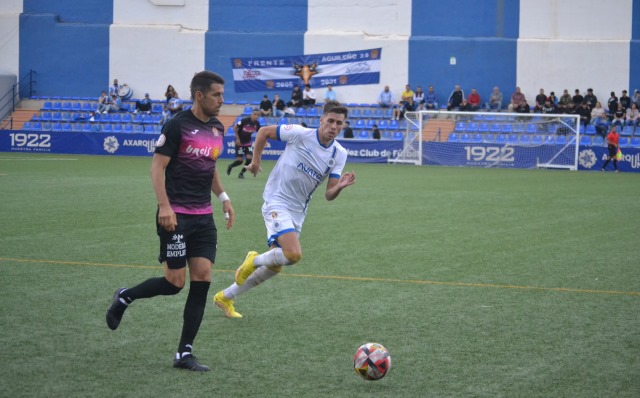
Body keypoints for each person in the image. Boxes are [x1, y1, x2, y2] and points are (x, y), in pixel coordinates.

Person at [105, 70, 235, 372]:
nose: (221, 101)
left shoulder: (217, 128)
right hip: (176, 216)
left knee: (202, 279)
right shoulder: (177, 125)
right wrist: (164, 207)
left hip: (204, 217)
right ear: (199, 95)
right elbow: (157, 168)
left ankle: (184, 354)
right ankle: (125, 296)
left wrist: (224, 197)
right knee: (175, 283)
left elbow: (210, 165)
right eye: (216, 95)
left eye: (222, 95)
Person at [212, 100, 356, 318]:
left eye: (339, 123)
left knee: (277, 265)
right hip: (277, 200)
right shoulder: (300, 134)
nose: (334, 126)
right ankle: (254, 259)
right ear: (321, 120)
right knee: (294, 254)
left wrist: (340, 187)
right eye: (330, 121)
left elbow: (328, 194)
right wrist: (257, 162)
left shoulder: (339, 154)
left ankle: (225, 296)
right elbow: (262, 132)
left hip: (298, 211)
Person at [227, 108, 260, 179]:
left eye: (258, 115)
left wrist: (264, 140)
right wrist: (237, 139)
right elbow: (235, 128)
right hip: (240, 143)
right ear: (252, 114)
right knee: (240, 161)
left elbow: (260, 132)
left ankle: (241, 173)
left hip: (248, 143)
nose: (256, 116)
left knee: (249, 159)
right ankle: (230, 166)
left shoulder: (257, 123)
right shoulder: (244, 120)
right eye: (255, 114)